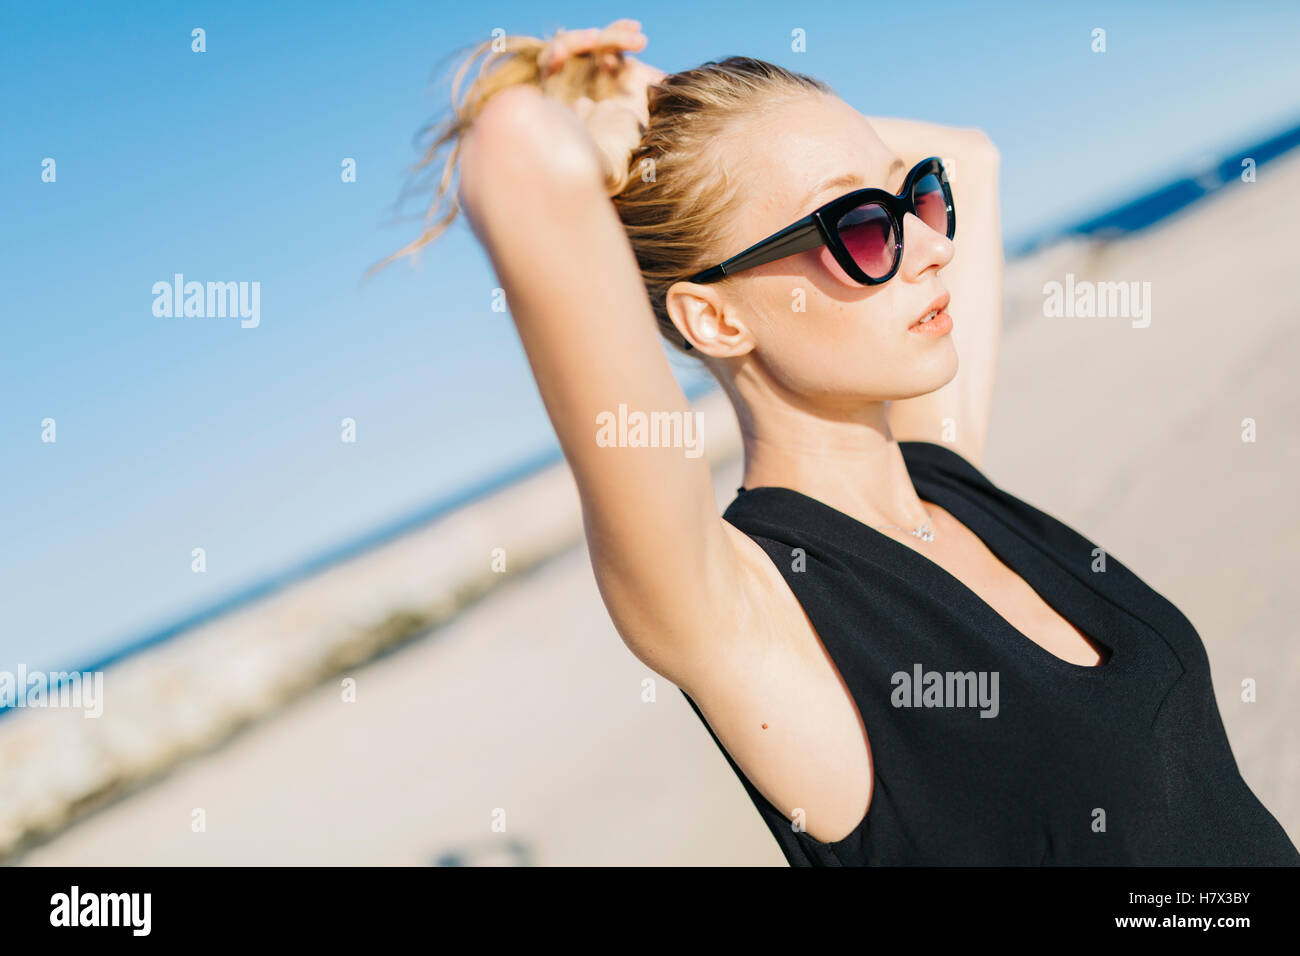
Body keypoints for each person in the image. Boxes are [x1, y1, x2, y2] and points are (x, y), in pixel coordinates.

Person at [380, 19, 1300, 866]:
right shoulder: (750, 613)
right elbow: (514, 165)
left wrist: (682, 114)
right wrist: (592, 117)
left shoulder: (944, 482)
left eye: (914, 198)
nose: (932, 245)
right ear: (714, 317)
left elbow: (970, 156)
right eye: (860, 225)